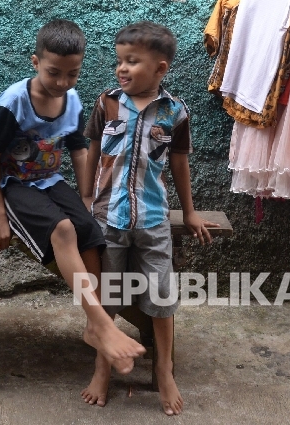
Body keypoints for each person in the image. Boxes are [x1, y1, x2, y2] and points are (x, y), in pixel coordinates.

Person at [0, 19, 147, 380]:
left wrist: (86, 196)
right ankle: (101, 322)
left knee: (90, 230)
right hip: (13, 185)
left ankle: (93, 322)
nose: (63, 82)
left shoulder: (71, 101)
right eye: (54, 73)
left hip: (49, 181)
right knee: (64, 229)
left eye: (73, 74)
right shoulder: (13, 103)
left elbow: (78, 150)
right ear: (35, 62)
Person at [80, 21, 217, 414]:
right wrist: (86, 195)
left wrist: (188, 212)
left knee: (161, 297)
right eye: (119, 60)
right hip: (107, 218)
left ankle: (165, 369)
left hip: (153, 220)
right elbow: (92, 149)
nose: (121, 68)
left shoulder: (174, 112)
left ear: (160, 69)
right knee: (108, 296)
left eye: (132, 61)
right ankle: (102, 369)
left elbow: (179, 163)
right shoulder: (106, 103)